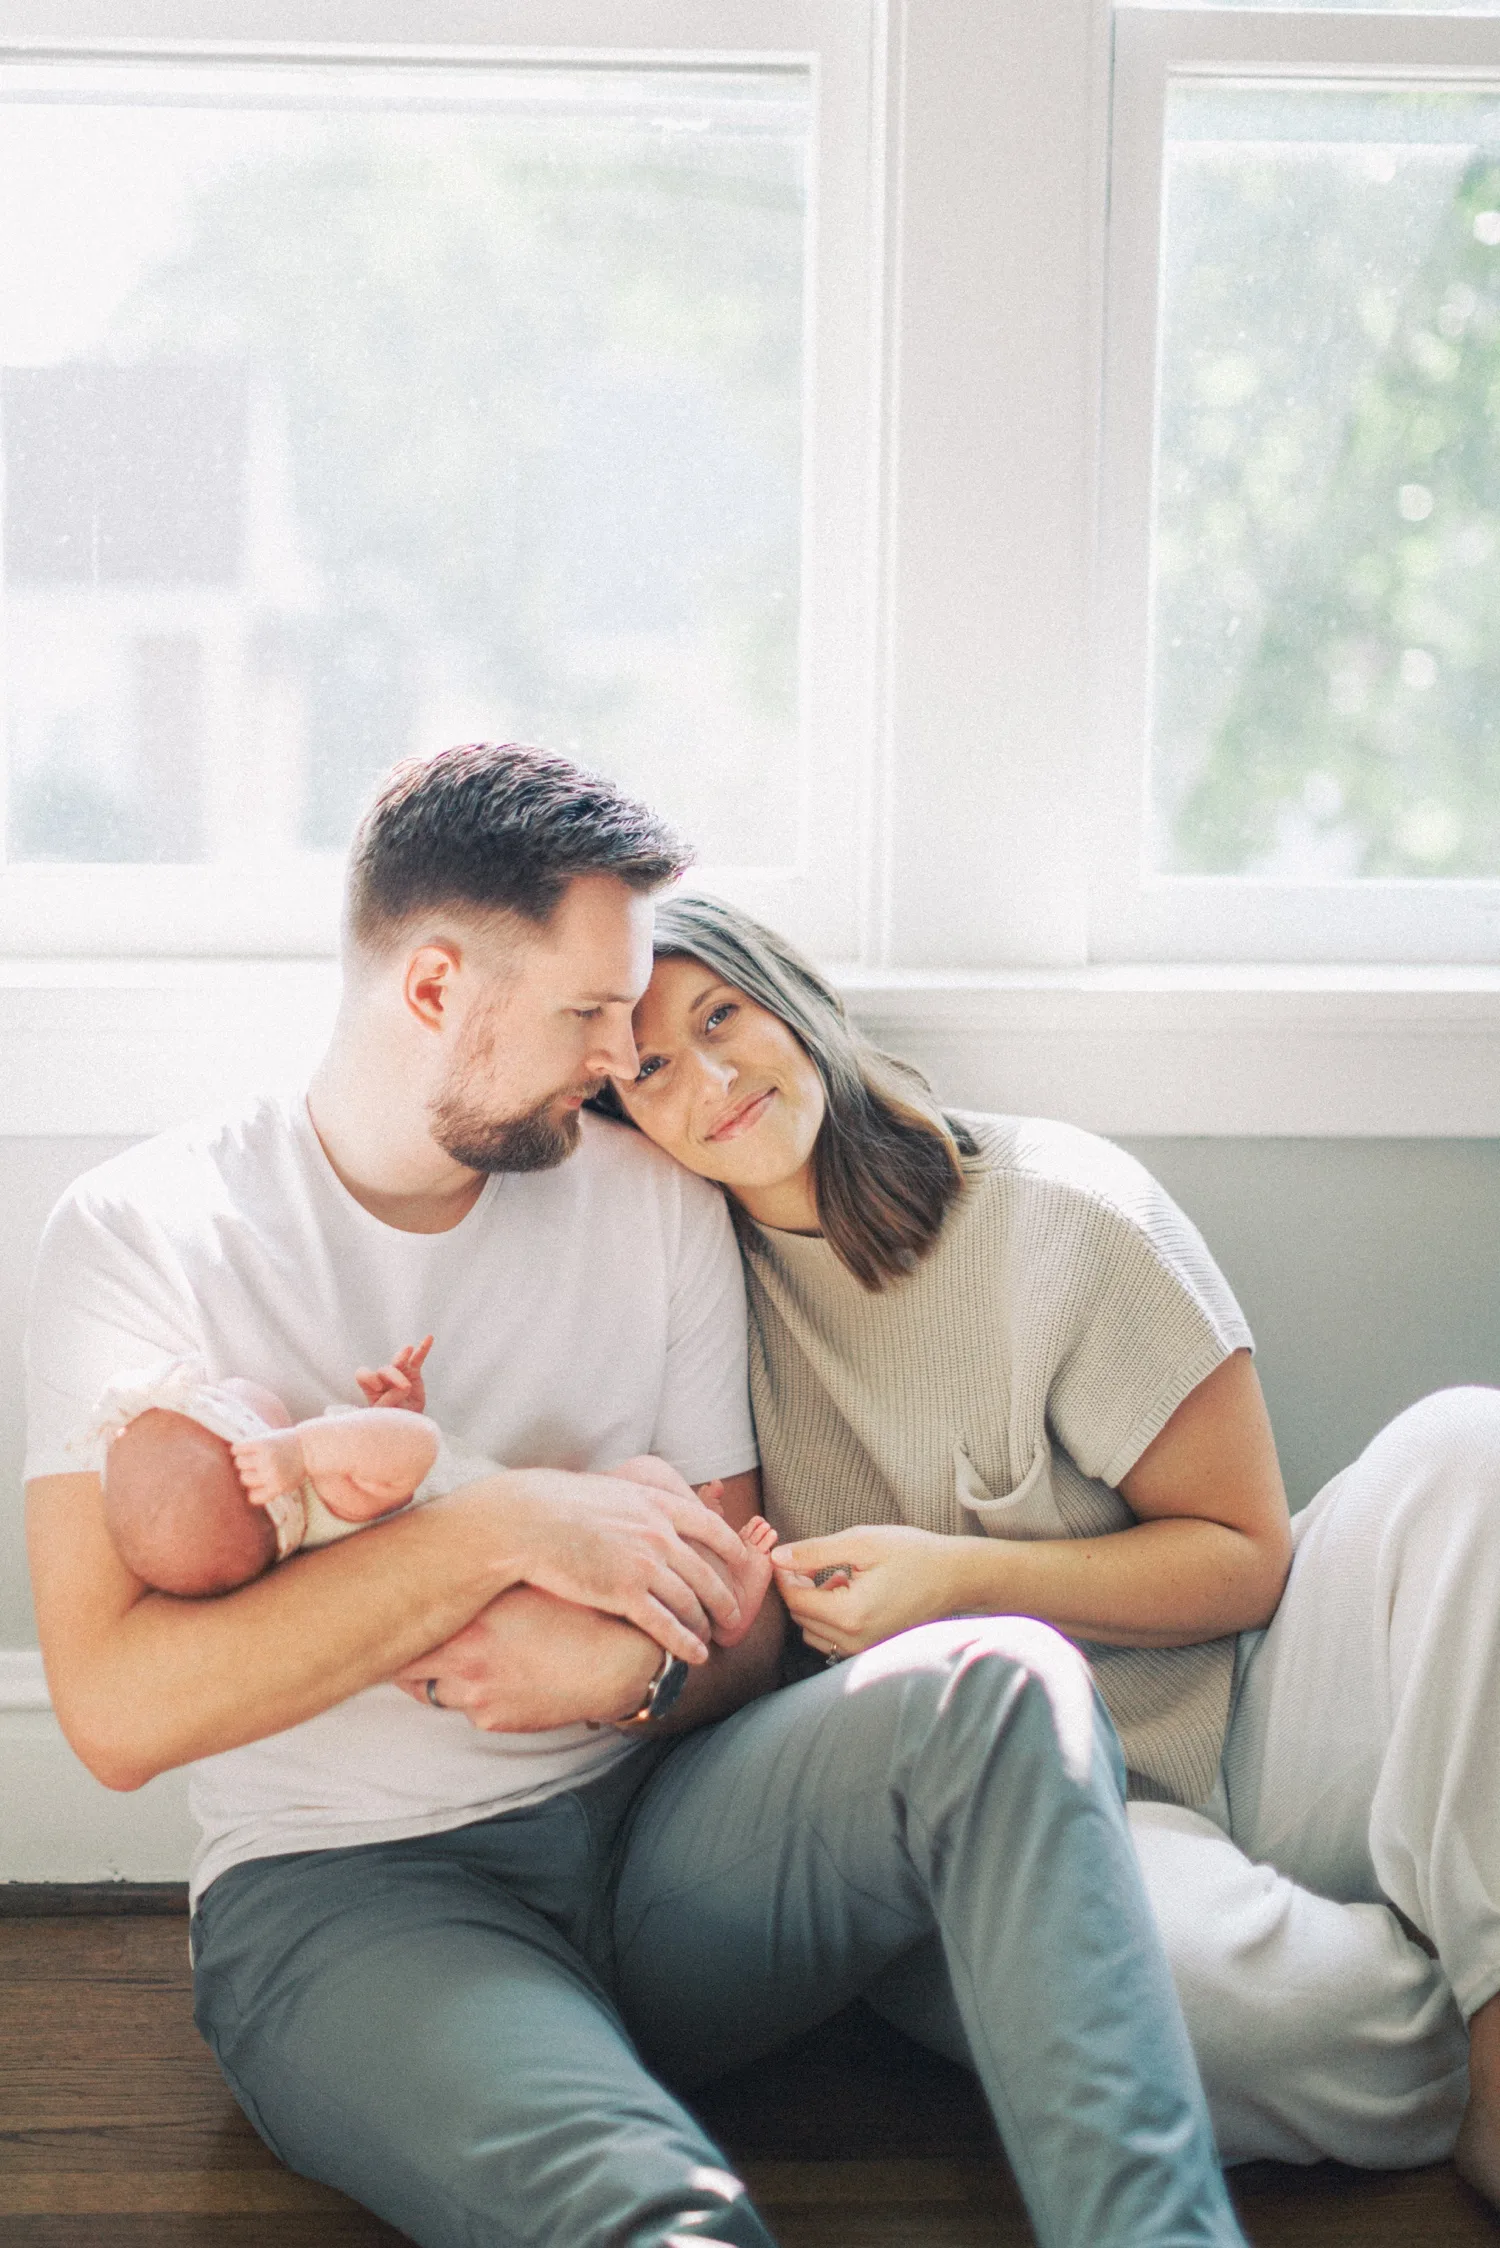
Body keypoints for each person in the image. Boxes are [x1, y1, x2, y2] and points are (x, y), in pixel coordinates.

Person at [24, 743, 1248, 2248]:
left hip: (670, 1849)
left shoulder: (654, 1202)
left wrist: (645, 1667)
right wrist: (506, 1526)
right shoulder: (143, 1235)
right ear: (433, 992)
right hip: (356, 1902)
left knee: (1002, 1680)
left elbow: (739, 1616)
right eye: (589, 1014)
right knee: (666, 2230)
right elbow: (117, 1714)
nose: (623, 1057)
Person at [606, 888, 1499, 2202]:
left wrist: (965, 1575)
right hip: (1025, 1833)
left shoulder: (1059, 1211)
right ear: (619, 1121)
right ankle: (1421, 2002)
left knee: (1471, 1453)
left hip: (1248, 1704)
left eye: (723, 1014)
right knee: (1262, 2023)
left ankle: (1485, 1994)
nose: (714, 1075)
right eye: (650, 1068)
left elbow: (1248, 1558)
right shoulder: (682, 1323)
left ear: (793, 997)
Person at [95, 1337, 780, 1634]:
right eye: (227, 1401)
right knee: (644, 1480)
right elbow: (417, 1451)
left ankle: (700, 1553)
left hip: (526, 1562)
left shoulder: (327, 1516)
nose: (230, 1383)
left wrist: (389, 1412)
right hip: (546, 1550)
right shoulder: (327, 1485)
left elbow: (404, 1452)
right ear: (260, 1462)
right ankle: (731, 1584)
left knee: (643, 1502)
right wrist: (305, 1446)